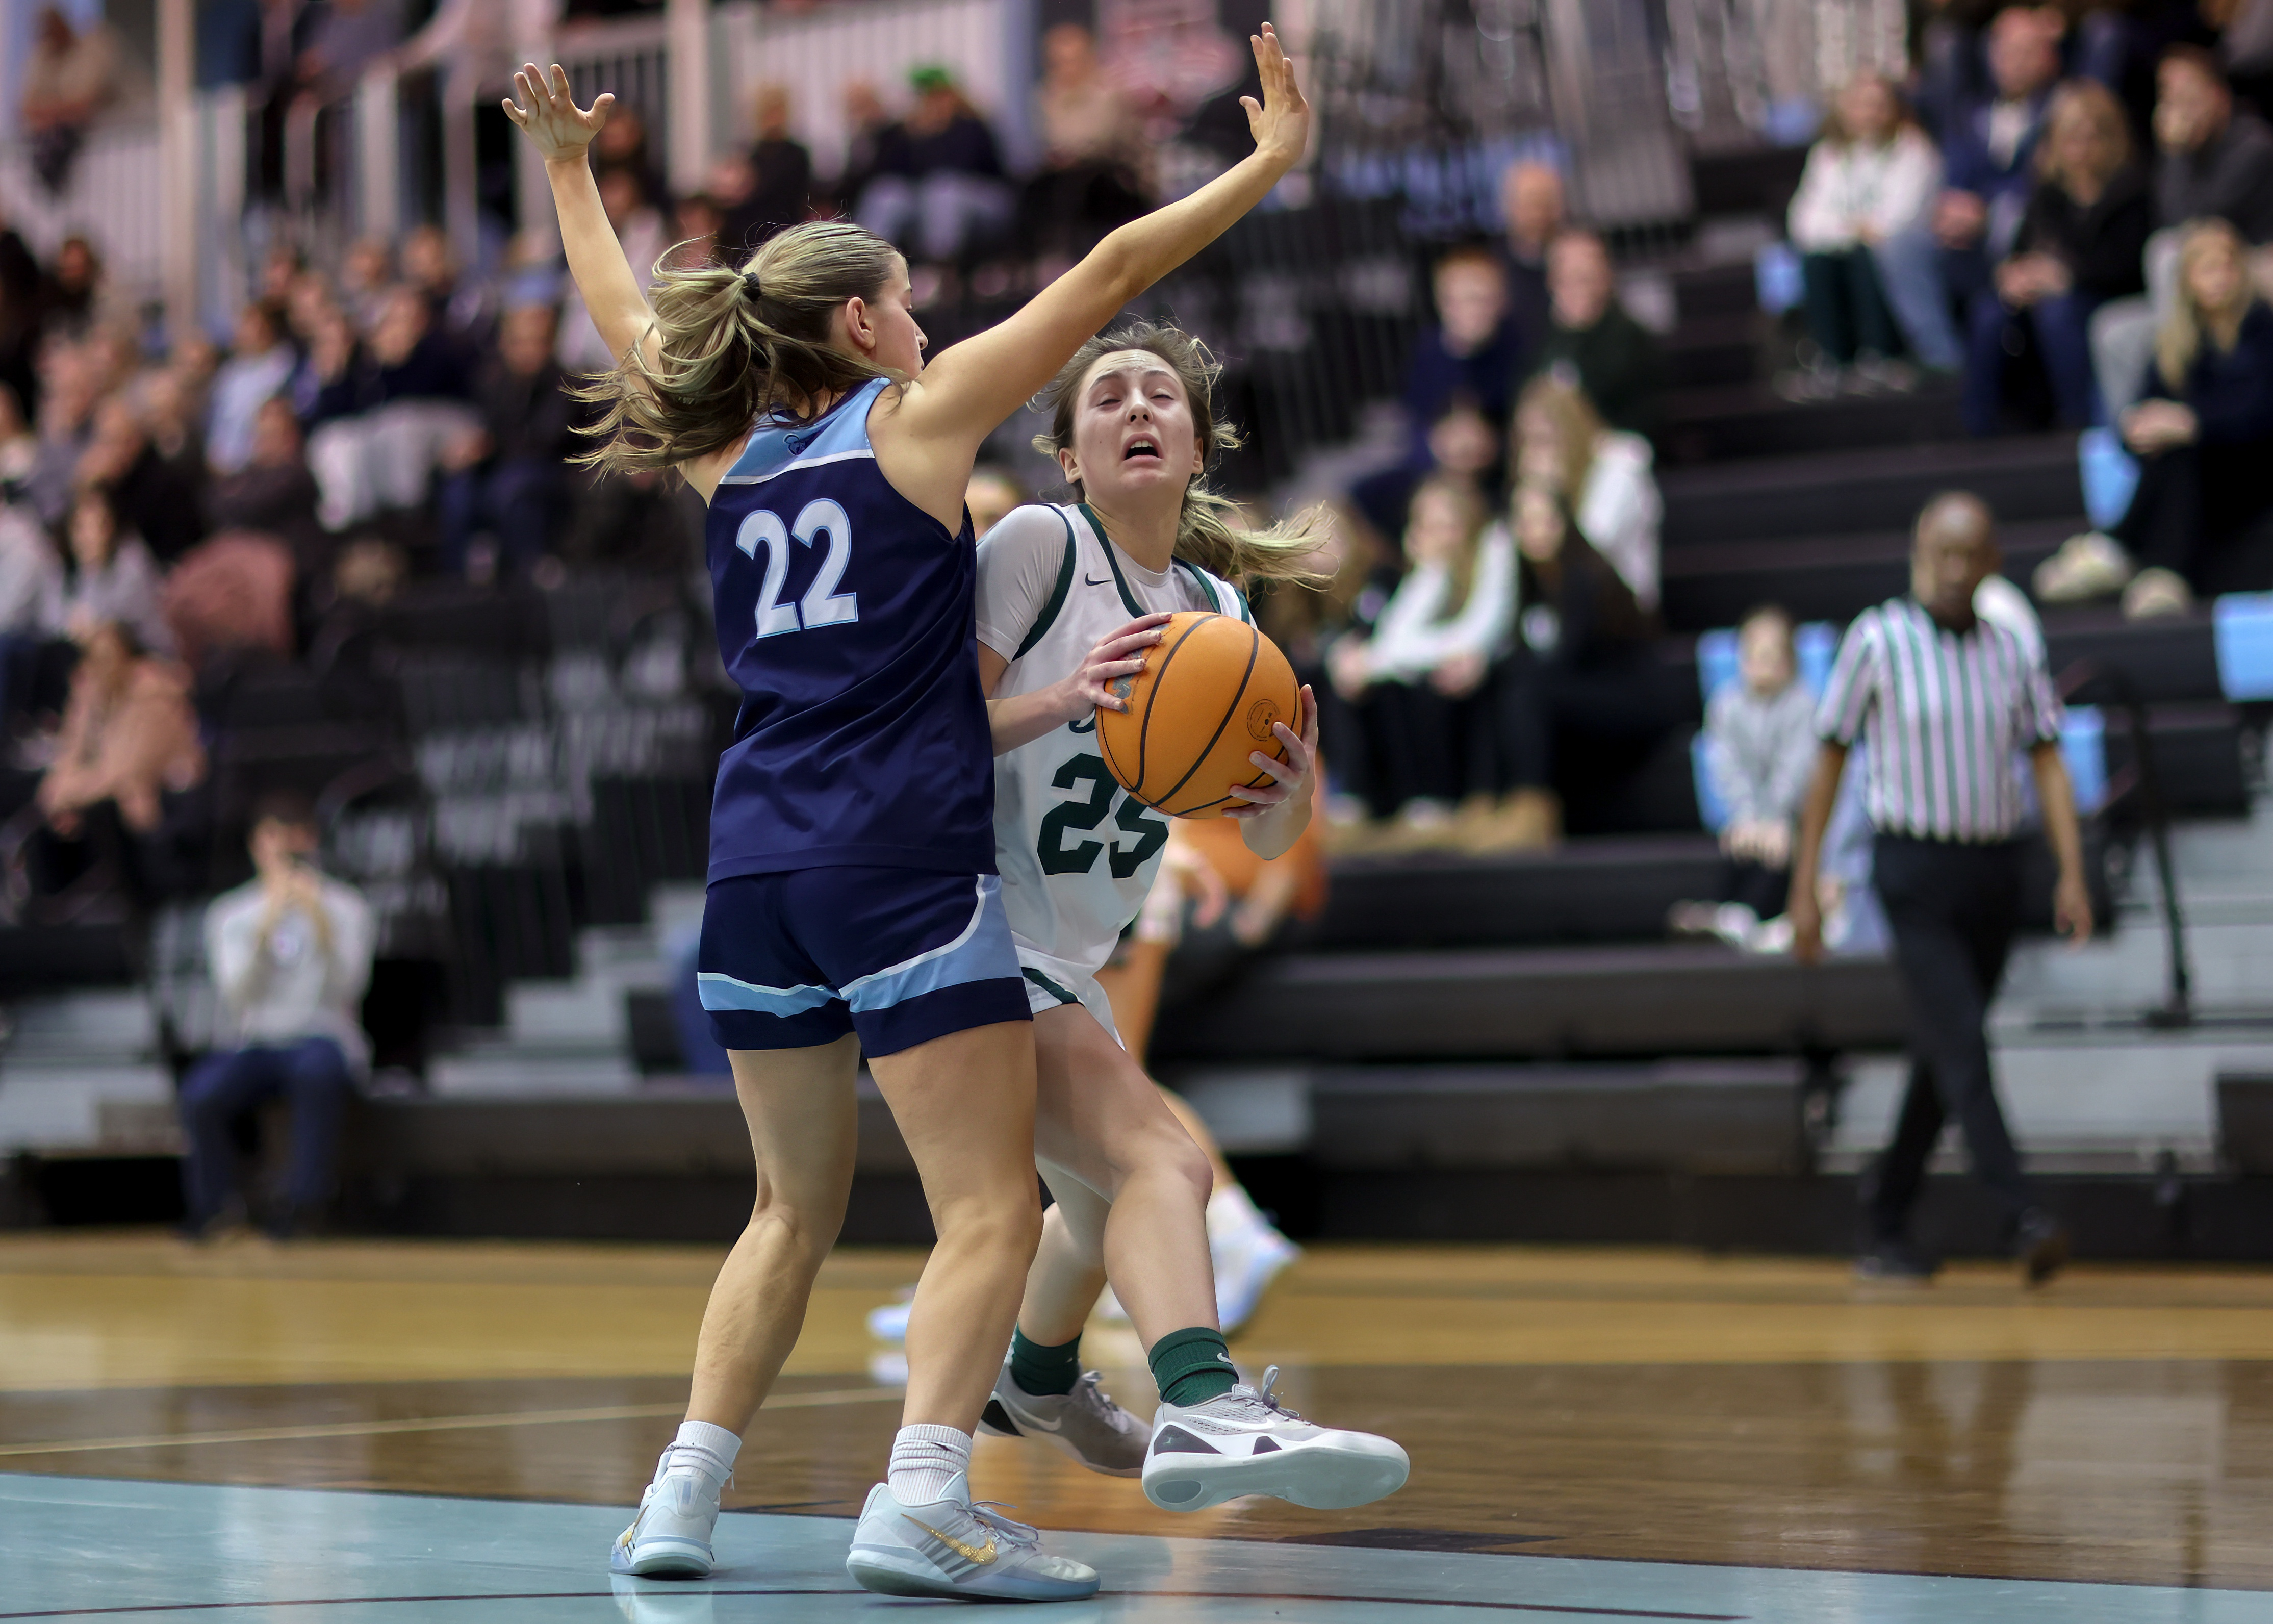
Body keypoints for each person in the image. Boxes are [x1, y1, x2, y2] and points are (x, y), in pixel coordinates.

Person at [501, 28, 1311, 1598]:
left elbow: (622, 325)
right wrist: (1269, 163)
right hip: (897, 857)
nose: (930, 323)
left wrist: (566, 177)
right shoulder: (914, 425)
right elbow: (1106, 272)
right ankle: (925, 1493)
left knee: (787, 1205)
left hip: (753, 862)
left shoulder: (728, 462)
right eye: (911, 304)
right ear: (865, 322)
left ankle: (679, 1497)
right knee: (988, 1206)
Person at [971, 319, 1410, 1507]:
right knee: (1165, 1156)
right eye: (1105, 396)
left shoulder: (1219, 606)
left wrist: (1291, 790)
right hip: (968, 926)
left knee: (1102, 1192)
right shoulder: (1034, 546)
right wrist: (1062, 693)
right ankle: (1202, 1405)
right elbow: (925, 733)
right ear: (1067, 452)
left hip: (1067, 947)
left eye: (1158, 394)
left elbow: (1258, 830)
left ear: (1196, 443)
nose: (1135, 409)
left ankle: (1033, 1375)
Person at [1789, 491, 2091, 1286]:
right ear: (1919, 555)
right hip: (1911, 867)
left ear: (1993, 563)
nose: (1955, 571)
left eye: (1971, 556)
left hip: (1996, 867)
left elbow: (2048, 761)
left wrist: (2071, 870)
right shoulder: (1876, 640)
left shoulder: (2013, 650)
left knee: (1941, 1051)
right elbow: (1828, 761)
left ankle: (1885, 1219)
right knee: (1962, 1039)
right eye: (1941, 555)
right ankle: (2021, 1213)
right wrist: (1804, 883)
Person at [177, 792, 375, 1241]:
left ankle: (304, 1204)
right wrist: (266, 926)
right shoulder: (231, 914)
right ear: (256, 845)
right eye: (273, 837)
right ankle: (213, 1207)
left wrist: (320, 923)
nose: (285, 849)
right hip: (258, 1040)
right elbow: (237, 993)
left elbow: (351, 986)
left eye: (293, 837)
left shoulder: (347, 906)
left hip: (321, 1034)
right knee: (201, 1092)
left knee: (315, 1075)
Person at [2051, 218, 2273, 614]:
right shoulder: (2176, 343)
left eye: (2226, 266)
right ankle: (2157, 574)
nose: (2219, 279)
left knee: (2182, 448)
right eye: (2206, 269)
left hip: (2255, 475)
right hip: (2202, 477)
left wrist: (2191, 424)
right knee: (2173, 452)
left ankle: (2125, 551)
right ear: (2187, 280)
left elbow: (2259, 415)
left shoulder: (2264, 331)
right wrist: (2136, 430)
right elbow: (2146, 409)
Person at [1480, 478, 1684, 851]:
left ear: (1565, 523)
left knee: (1525, 691)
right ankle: (1484, 805)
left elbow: (1566, 661)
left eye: (1545, 520)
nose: (1535, 532)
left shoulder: (1586, 578)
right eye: (1524, 522)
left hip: (1632, 701)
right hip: (1580, 696)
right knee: (1500, 684)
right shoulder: (1531, 586)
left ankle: (1531, 811)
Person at [1326, 475, 1516, 836]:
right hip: (1437, 673)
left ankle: (1441, 802)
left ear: (1470, 527)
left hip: (1494, 669)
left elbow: (1478, 633)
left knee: (1398, 676)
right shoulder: (1428, 572)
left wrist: (1375, 660)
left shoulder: (1494, 551)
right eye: (1425, 525)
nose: (1435, 536)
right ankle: (1362, 803)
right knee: (1362, 679)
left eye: (1446, 525)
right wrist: (1430, 571)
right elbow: (1395, 639)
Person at [2091, 45, 2273, 417]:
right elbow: (2164, 217)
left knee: (2167, 252)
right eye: (2168, 96)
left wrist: (2174, 153)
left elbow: (2195, 228)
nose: (2177, 108)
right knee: (2112, 332)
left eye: (2188, 94)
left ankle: (2183, 387)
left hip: (2249, 273)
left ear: (2219, 95)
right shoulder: (2185, 155)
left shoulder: (2253, 145)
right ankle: (2138, 448)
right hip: (2194, 289)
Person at [1882, 7, 2064, 375]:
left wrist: (1986, 205)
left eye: (2026, 52)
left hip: (2032, 231)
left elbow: (2051, 179)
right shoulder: (1971, 112)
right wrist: (1952, 205)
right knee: (1901, 243)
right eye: (2005, 52)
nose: (2014, 63)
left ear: (2049, 57)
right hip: (1971, 234)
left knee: (2009, 215)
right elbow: (1955, 171)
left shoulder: (2062, 108)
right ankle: (1943, 361)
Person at [1967, 77, 2152, 434]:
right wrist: (2014, 277)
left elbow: (2128, 267)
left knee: (2058, 314)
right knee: (1989, 311)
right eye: (2069, 139)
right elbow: (2020, 251)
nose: (2079, 150)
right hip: (2048, 294)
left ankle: (2077, 421)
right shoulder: (2047, 194)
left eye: (2089, 138)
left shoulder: (2132, 192)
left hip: (2104, 296)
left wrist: (2066, 277)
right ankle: (1979, 425)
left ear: (2110, 138)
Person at [1350, 245, 1524, 540]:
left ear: (1501, 302)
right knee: (1363, 497)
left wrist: (1492, 447)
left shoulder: (1520, 352)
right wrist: (1437, 447)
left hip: (1501, 475)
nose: (1471, 310)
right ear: (1443, 303)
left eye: (1481, 299)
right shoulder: (1428, 353)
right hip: (1435, 472)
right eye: (1460, 300)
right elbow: (1414, 427)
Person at [1786, 72, 1943, 397]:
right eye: (1860, 105)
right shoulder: (1828, 155)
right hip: (1845, 248)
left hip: (1901, 255)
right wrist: (1850, 229)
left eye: (1878, 105)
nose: (1869, 114)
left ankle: (1881, 355)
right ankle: (1834, 360)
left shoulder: (1913, 151)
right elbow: (1804, 222)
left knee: (1867, 255)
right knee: (1817, 260)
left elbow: (1899, 219)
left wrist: (1847, 230)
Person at [1672, 604, 1820, 946]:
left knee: (1779, 848)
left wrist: (1774, 819)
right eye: (1754, 655)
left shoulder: (1803, 705)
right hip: (1745, 817)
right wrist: (1747, 819)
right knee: (1739, 845)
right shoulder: (1725, 706)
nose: (1763, 664)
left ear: (1790, 660)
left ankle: (1751, 915)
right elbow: (1727, 767)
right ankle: (1727, 910)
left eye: (1772, 655)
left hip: (1793, 819)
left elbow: (1797, 768)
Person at [436, 303, 578, 579]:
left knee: (514, 487)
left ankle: (527, 575)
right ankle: (458, 582)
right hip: (503, 469)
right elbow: (487, 428)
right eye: (518, 343)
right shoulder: (493, 384)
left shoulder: (566, 384)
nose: (526, 351)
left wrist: (491, 446)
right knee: (458, 490)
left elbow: (549, 441)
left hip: (552, 473)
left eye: (535, 342)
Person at [1512, 375, 1662, 613]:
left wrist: (1550, 492)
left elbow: (1592, 546)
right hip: (1557, 609)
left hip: (1619, 613)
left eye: (1544, 440)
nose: (1533, 453)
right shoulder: (1536, 486)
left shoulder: (1619, 469)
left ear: (1573, 433)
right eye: (1526, 442)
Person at [854, 68, 1014, 269]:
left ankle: (939, 269)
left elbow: (963, 167)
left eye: (937, 95)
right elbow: (889, 173)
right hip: (927, 202)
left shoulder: (971, 126)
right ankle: (867, 266)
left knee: (943, 189)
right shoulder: (907, 132)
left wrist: (936, 135)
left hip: (987, 202)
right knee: (887, 192)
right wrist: (913, 136)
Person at [1019, 23, 1148, 268]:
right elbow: (1052, 138)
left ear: (1089, 58)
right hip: (1071, 176)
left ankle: (1083, 264)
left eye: (1072, 60)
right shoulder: (1045, 96)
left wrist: (1068, 151)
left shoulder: (1110, 92)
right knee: (1033, 188)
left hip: (1119, 180)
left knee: (1079, 183)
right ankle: (1037, 267)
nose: (1066, 69)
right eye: (1058, 62)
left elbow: (1099, 140)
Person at [1525, 230, 1665, 440]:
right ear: (1552, 281)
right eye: (1569, 277)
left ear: (1606, 276)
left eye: (1587, 277)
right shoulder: (1536, 340)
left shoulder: (1633, 341)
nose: (1579, 288)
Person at [62, 486, 171, 657]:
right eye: (80, 528)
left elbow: (117, 631)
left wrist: (88, 628)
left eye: (97, 527)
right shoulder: (88, 567)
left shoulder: (132, 565)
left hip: (152, 656)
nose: (87, 538)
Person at [206, 301, 299, 477]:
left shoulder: (283, 365)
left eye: (257, 327)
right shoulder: (230, 373)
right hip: (222, 467)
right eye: (246, 327)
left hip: (260, 463)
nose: (251, 334)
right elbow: (217, 421)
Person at [1498, 160, 1565, 352]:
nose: (1538, 213)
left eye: (1546, 203)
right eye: (1529, 202)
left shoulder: (1573, 261)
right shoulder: (1494, 267)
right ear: (1510, 206)